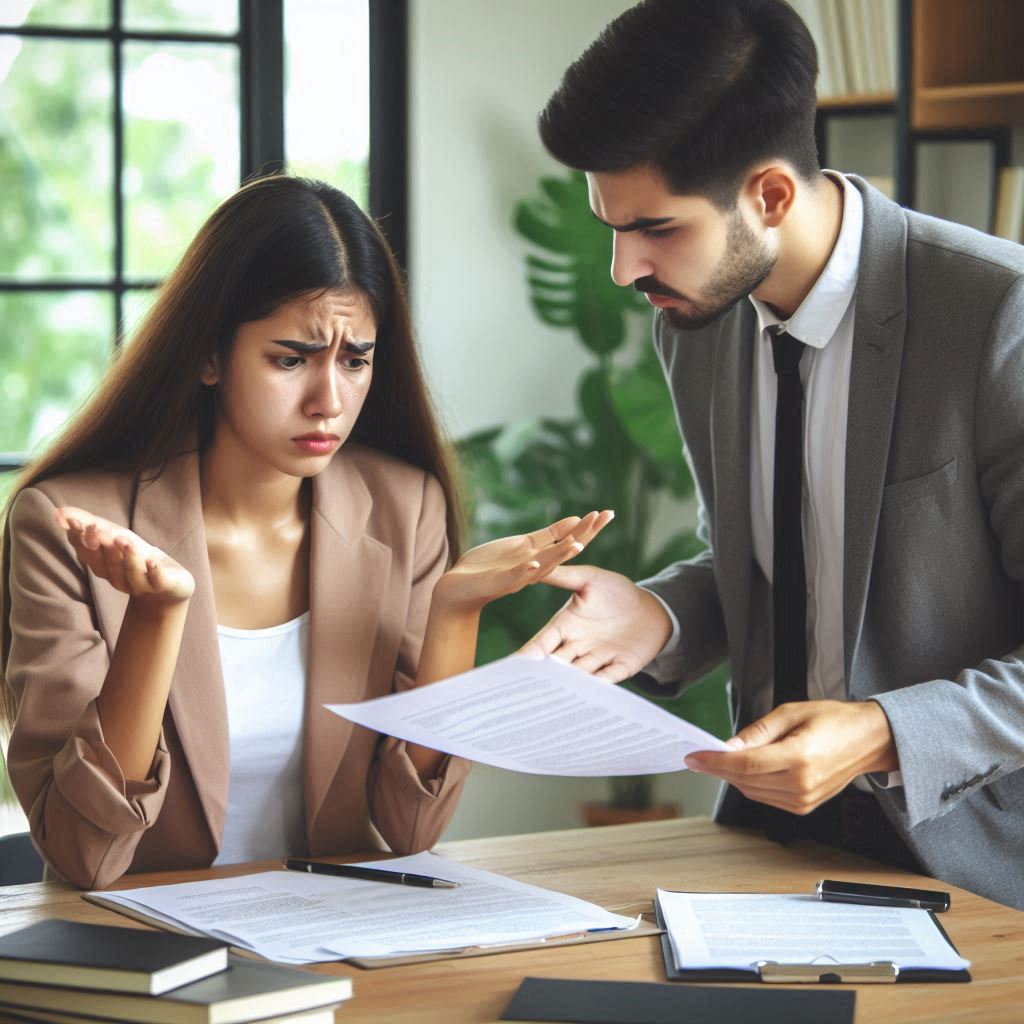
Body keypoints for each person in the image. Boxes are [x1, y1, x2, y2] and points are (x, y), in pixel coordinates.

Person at [526, 0, 1024, 908]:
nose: (622, 270)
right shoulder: (696, 321)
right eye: (612, 226)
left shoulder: (996, 317)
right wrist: (659, 619)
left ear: (770, 196)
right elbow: (764, 558)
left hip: (976, 872)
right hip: (764, 849)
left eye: (657, 229)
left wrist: (881, 733)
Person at [1, 174, 612, 890]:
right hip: (143, 952)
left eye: (356, 361)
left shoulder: (403, 507)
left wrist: (455, 610)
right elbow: (82, 852)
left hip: (331, 939)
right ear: (208, 354)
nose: (329, 400)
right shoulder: (67, 523)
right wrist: (157, 614)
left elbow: (411, 830)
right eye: (290, 359)